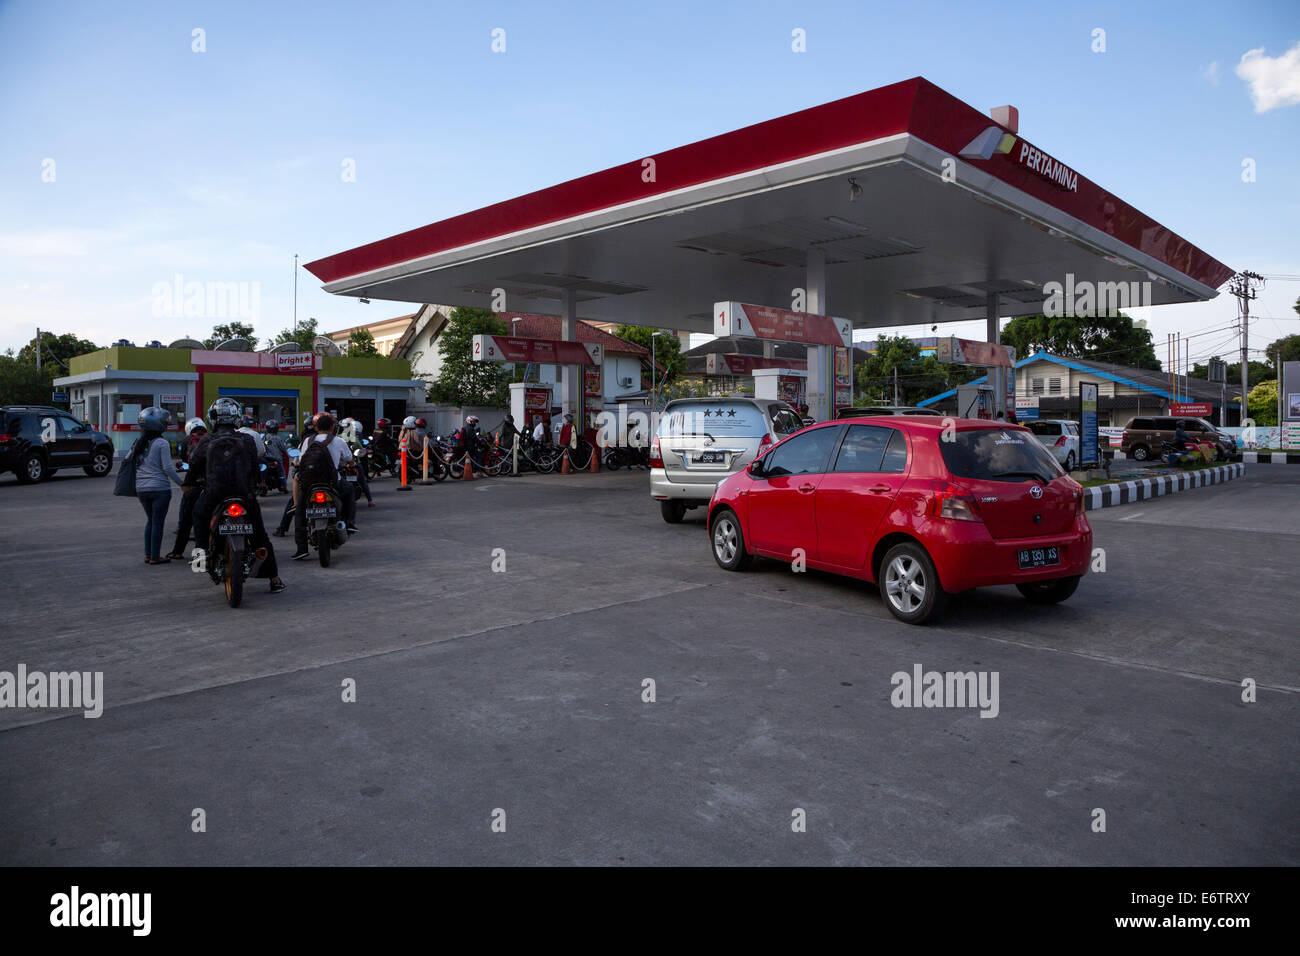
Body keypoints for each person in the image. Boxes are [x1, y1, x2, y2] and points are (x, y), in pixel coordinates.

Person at [188, 397, 285, 593]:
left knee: (198, 515)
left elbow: (194, 466)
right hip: (244, 495)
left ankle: (201, 557)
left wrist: (190, 483)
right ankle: (274, 579)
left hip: (214, 494)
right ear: (237, 418)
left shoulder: (207, 441)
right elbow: (256, 466)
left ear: (213, 419)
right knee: (260, 535)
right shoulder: (247, 439)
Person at [293, 412, 357, 560]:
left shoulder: (307, 441)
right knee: (349, 491)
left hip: (309, 484)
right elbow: (349, 459)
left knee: (300, 513)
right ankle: (350, 523)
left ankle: (301, 549)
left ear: (316, 428)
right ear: (332, 427)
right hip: (331, 482)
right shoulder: (339, 441)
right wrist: (351, 465)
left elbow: (299, 461)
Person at [133, 406, 184, 564]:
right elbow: (167, 468)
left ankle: (148, 554)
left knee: (150, 521)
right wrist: (182, 484)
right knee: (157, 523)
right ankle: (155, 557)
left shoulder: (138, 443)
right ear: (159, 425)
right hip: (159, 489)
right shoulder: (162, 443)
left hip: (141, 489)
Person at [165, 419, 208, 560]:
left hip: (194, 484)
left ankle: (178, 552)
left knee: (186, 522)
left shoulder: (187, 441)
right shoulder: (213, 440)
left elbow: (185, 460)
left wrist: (186, 484)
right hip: (212, 486)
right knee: (205, 523)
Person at [262, 420, 290, 493]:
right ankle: (284, 486)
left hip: (267, 459)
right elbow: (283, 448)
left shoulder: (265, 438)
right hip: (277, 459)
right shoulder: (278, 438)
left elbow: (264, 445)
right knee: (282, 472)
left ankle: (263, 483)